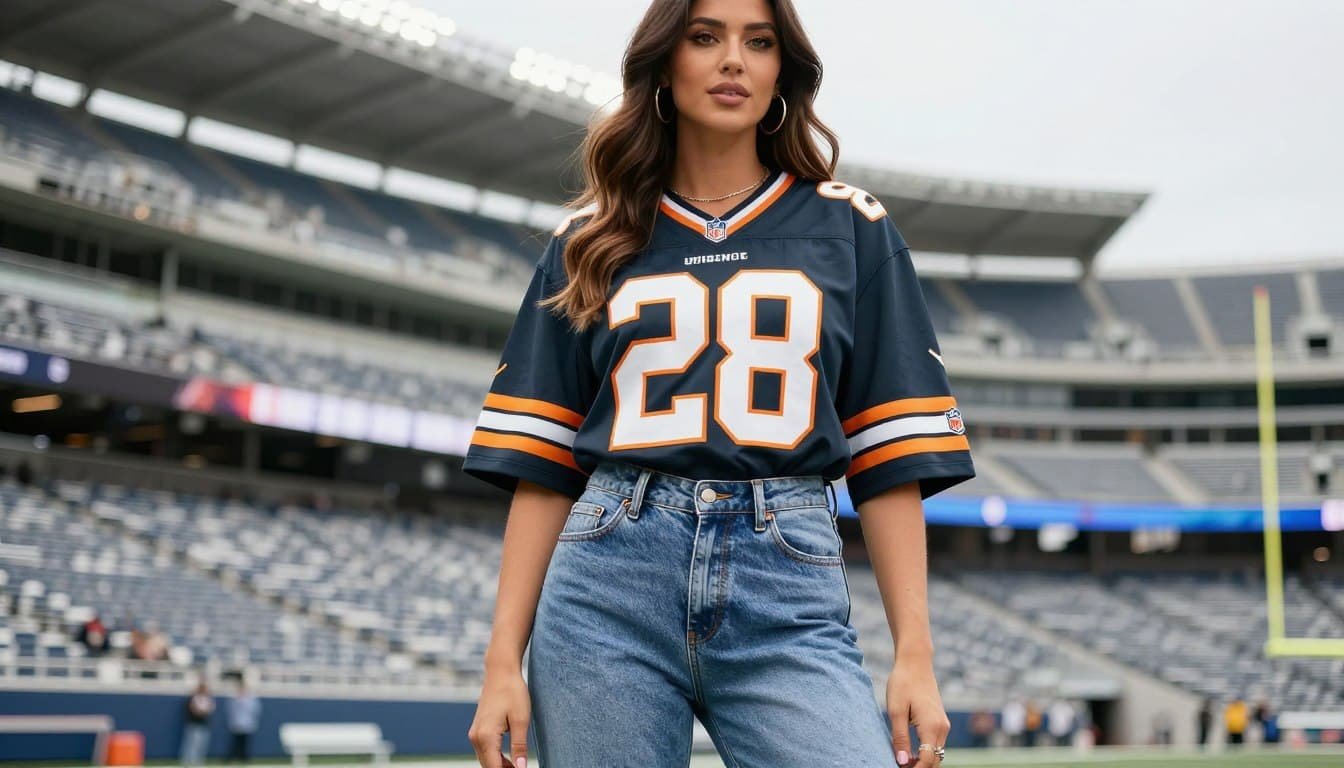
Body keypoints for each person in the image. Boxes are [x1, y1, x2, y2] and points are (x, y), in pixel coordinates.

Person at [461, 1, 975, 766]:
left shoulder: (853, 228)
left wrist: (915, 656)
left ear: (782, 72)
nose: (734, 59)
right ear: (666, 62)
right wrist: (503, 662)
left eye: (759, 42)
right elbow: (543, 469)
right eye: (706, 38)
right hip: (606, 579)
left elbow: (888, 463)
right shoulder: (588, 240)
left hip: (787, 579)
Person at [225, 679, 261, 764]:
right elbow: (230, 710)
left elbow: (255, 710)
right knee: (235, 743)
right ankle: (232, 758)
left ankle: (244, 758)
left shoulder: (251, 699)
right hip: (236, 724)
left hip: (247, 724)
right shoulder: (234, 699)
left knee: (245, 743)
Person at [179, 681, 214, 768]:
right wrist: (199, 711)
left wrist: (203, 711)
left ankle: (198, 763)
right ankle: (187, 762)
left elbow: (210, 709)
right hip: (194, 724)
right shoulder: (194, 698)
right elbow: (192, 709)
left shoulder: (208, 698)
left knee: (201, 745)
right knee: (191, 744)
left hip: (204, 725)